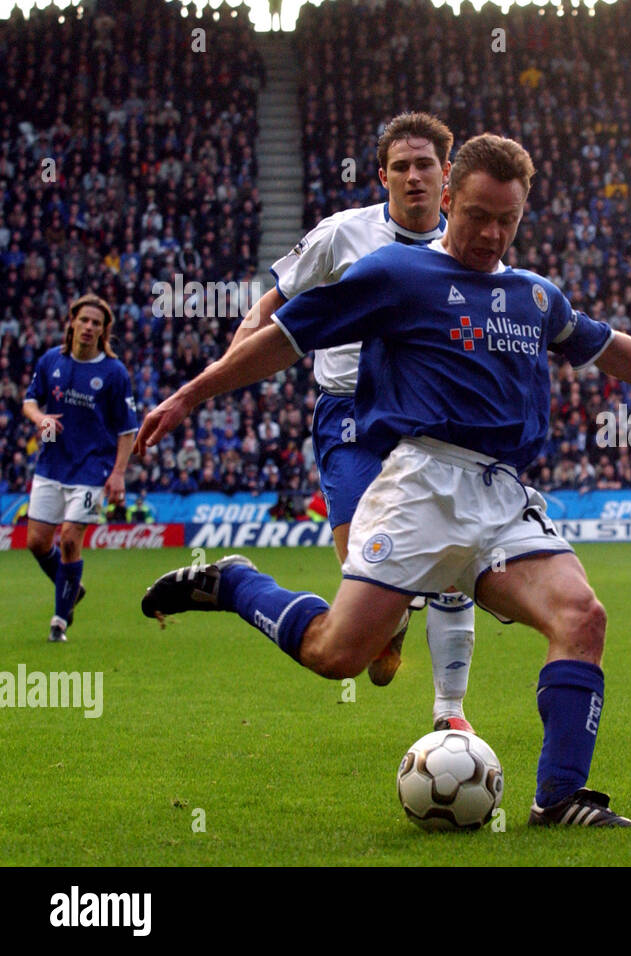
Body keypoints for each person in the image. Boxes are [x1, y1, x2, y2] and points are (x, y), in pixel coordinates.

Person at [135, 134, 631, 827]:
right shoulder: (394, 276)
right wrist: (189, 396)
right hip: (418, 489)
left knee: (581, 617)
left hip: (503, 495)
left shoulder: (533, 295)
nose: (491, 234)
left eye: (508, 220)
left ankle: (559, 797)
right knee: (339, 656)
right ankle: (236, 583)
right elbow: (284, 339)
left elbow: (604, 344)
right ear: (448, 201)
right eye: (476, 216)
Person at [228, 112, 477, 730]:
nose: (413, 177)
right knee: (362, 572)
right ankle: (388, 617)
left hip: (431, 417)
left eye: (425, 166)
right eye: (401, 167)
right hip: (350, 414)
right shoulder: (343, 234)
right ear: (383, 176)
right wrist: (236, 351)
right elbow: (276, 300)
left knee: (453, 563)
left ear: (447, 176)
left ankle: (451, 714)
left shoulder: (467, 246)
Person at [22, 294, 138, 643]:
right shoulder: (50, 361)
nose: (89, 327)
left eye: (96, 324)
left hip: (92, 468)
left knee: (71, 537)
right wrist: (42, 419)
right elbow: (29, 402)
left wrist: (117, 473)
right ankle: (72, 586)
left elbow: (127, 428)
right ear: (71, 321)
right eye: (84, 320)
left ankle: (59, 621)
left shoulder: (114, 373)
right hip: (51, 464)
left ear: (104, 331)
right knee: (37, 543)